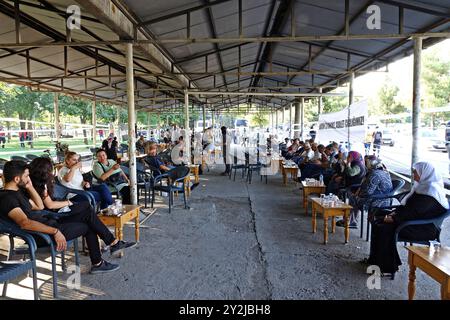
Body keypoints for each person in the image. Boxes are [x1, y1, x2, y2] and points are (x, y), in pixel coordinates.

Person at [1, 160, 135, 274]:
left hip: (49, 223)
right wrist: (55, 231)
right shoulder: (8, 199)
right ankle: (103, 256)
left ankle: (110, 246)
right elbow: (25, 223)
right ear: (17, 179)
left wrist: (29, 186)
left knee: (87, 214)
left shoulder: (18, 193)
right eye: (26, 176)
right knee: (88, 223)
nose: (28, 178)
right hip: (42, 234)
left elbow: (40, 206)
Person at [366, 162, 448, 275]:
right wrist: (393, 214)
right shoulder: (423, 187)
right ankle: (375, 261)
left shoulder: (431, 191)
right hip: (412, 221)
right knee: (378, 219)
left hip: (423, 228)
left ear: (424, 173)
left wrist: (394, 218)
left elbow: (415, 211)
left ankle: (387, 267)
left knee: (384, 227)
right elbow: (409, 208)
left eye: (415, 172)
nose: (413, 175)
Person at [336, 156, 392, 228]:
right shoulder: (385, 171)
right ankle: (351, 220)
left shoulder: (374, 174)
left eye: (366, 162)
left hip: (376, 201)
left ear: (371, 164)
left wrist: (357, 195)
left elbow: (368, 192)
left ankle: (350, 221)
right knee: (351, 195)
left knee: (350, 197)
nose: (365, 164)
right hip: (385, 200)